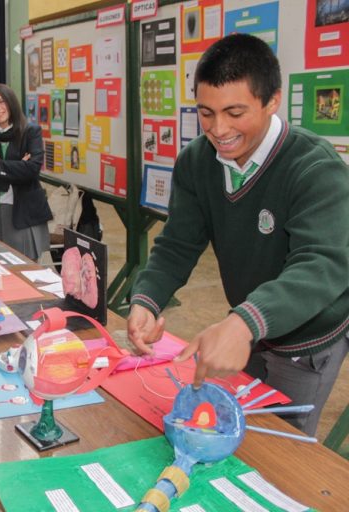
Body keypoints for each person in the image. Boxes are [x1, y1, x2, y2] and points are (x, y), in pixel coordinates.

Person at [127, 33, 349, 437]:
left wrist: (243, 323)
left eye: (234, 112)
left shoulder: (315, 167)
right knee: (235, 428)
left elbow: (320, 266)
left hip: (304, 338)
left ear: (272, 101)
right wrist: (147, 298)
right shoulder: (197, 162)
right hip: (250, 323)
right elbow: (178, 243)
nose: (219, 129)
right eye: (206, 113)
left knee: (281, 446)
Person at [0, 83, 52, 261]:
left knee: (22, 267)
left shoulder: (30, 132)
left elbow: (32, 170)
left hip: (22, 212)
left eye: (1, 101)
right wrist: (16, 169)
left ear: (11, 102)